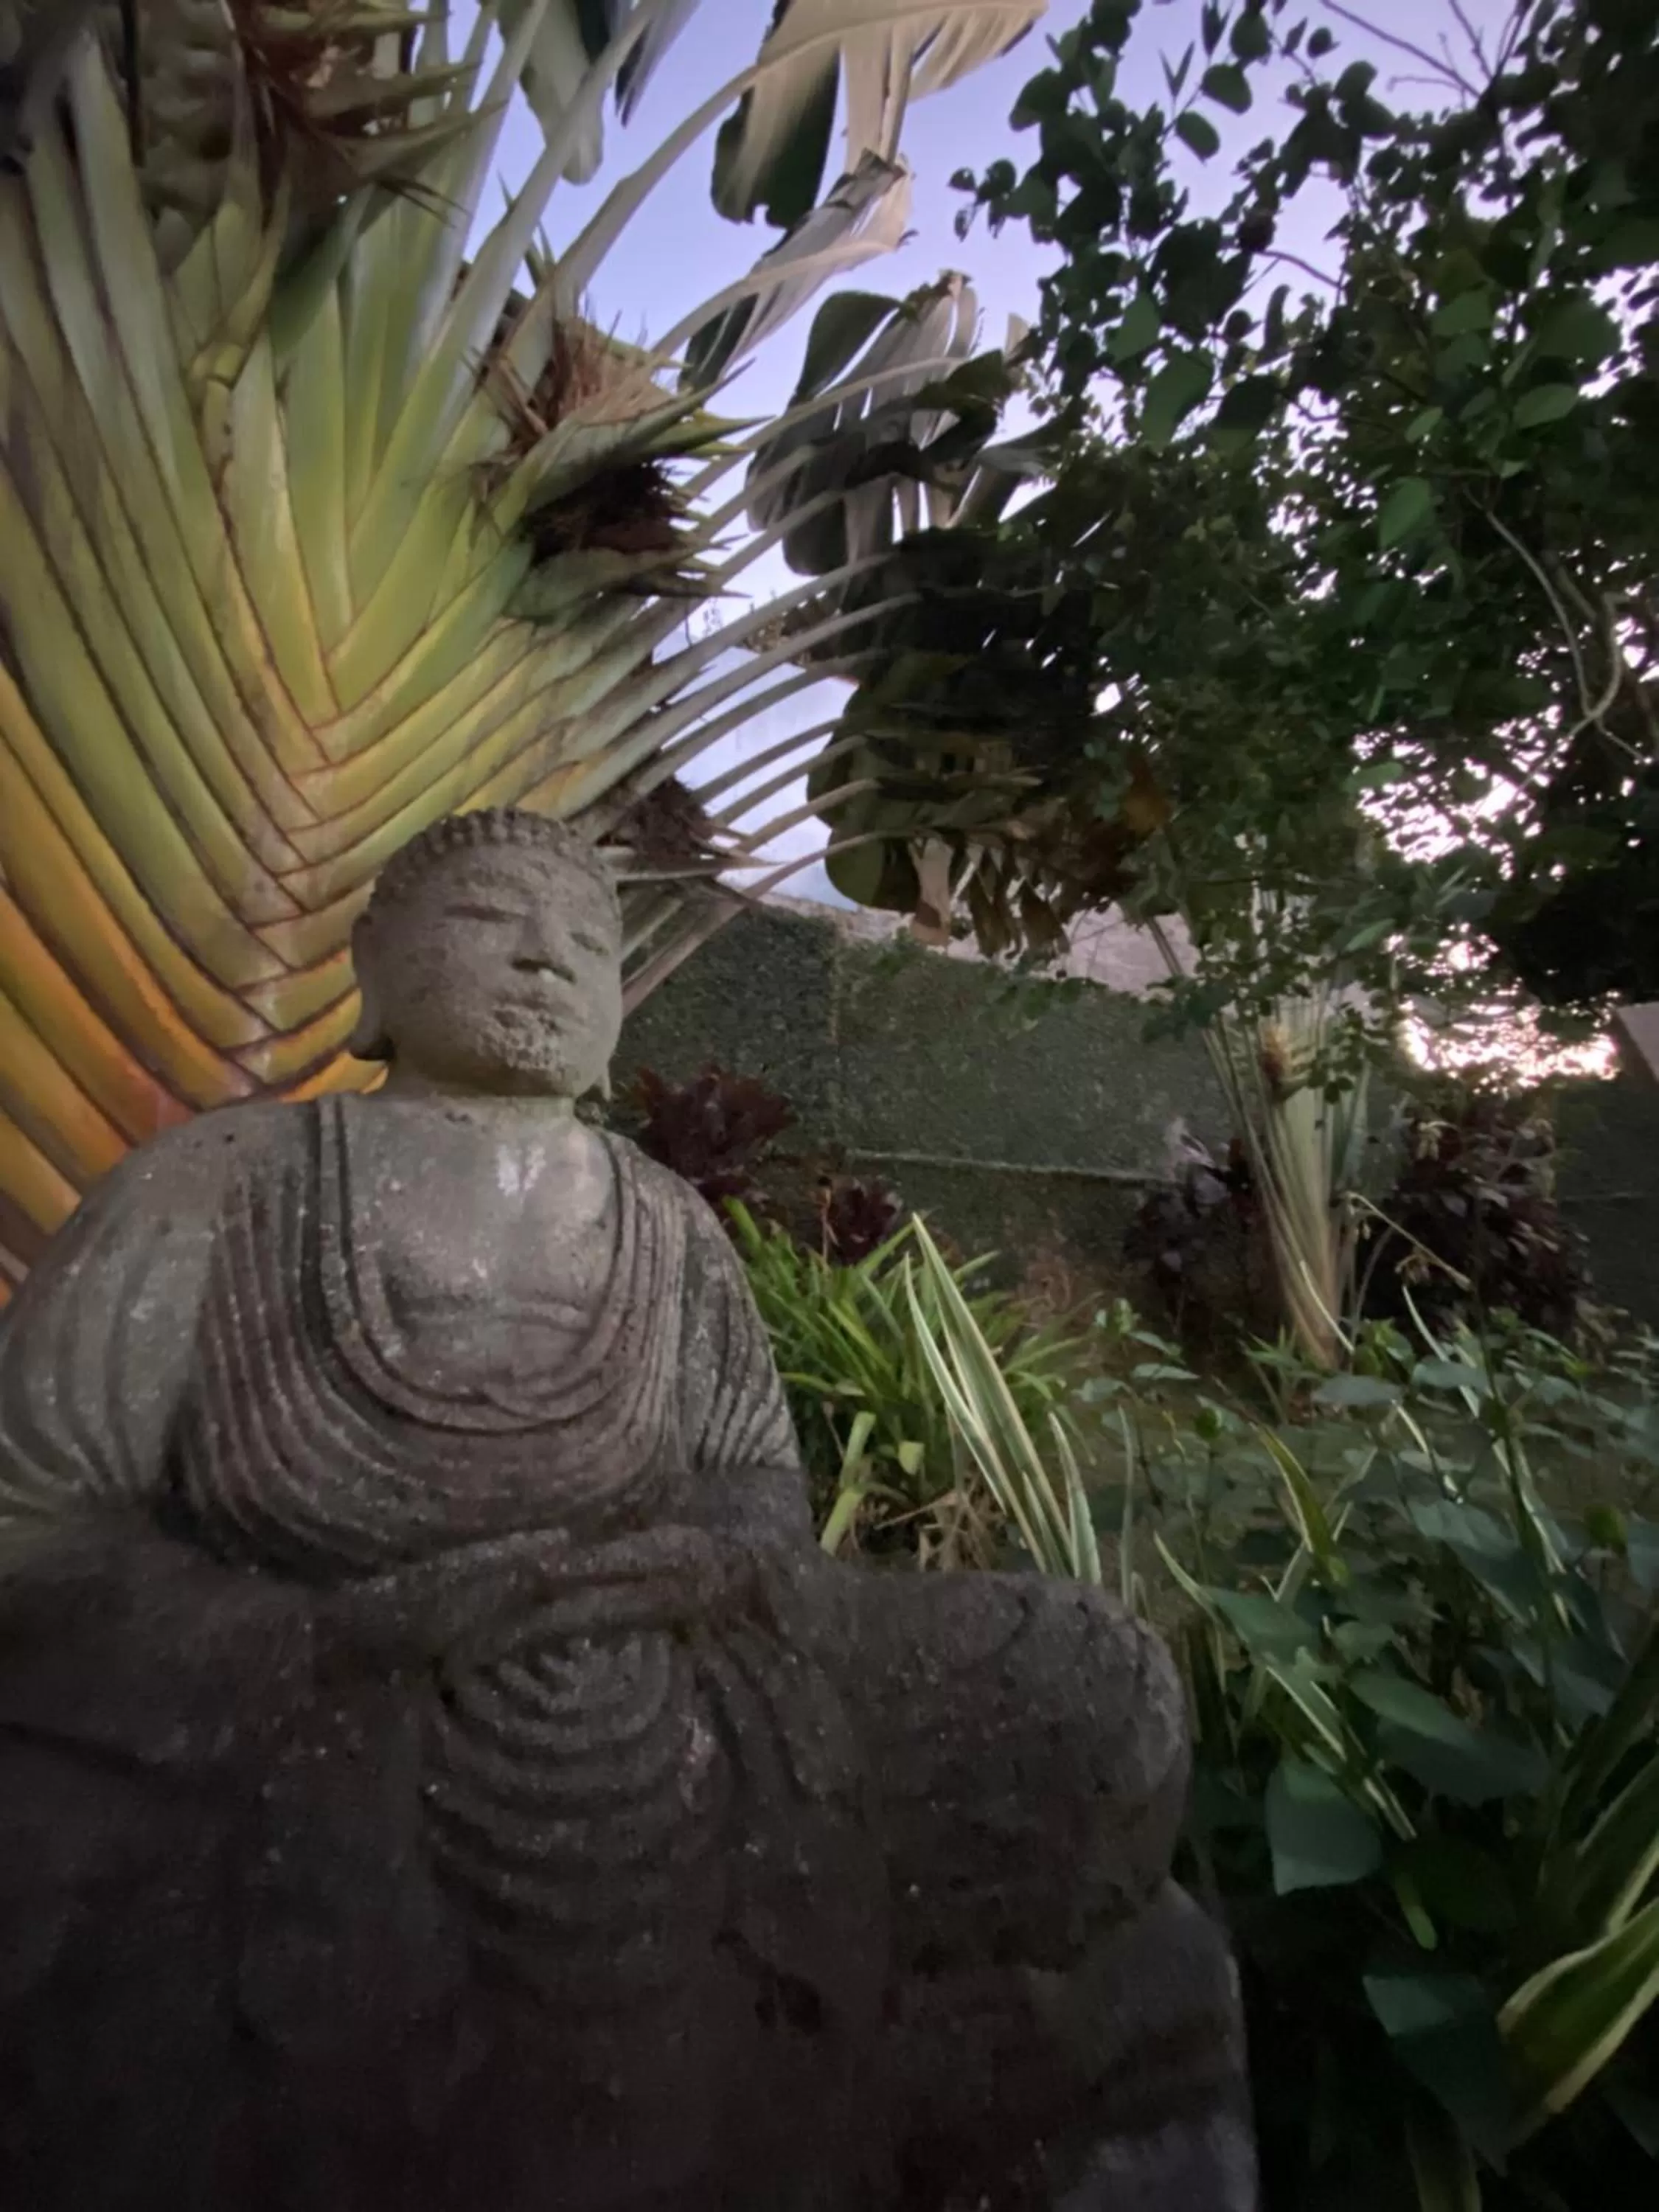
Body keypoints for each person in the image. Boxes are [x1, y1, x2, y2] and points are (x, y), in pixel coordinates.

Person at [0, 809, 1253, 2211]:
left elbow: (755, 1486)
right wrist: (330, 1637)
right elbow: (35, 1518)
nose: (546, 961)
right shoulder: (226, 1182)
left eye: (588, 943)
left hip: (672, 1658)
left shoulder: (666, 1221)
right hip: (318, 1661)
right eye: (490, 921)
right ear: (373, 961)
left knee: (1094, 1682)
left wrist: (701, 1563)